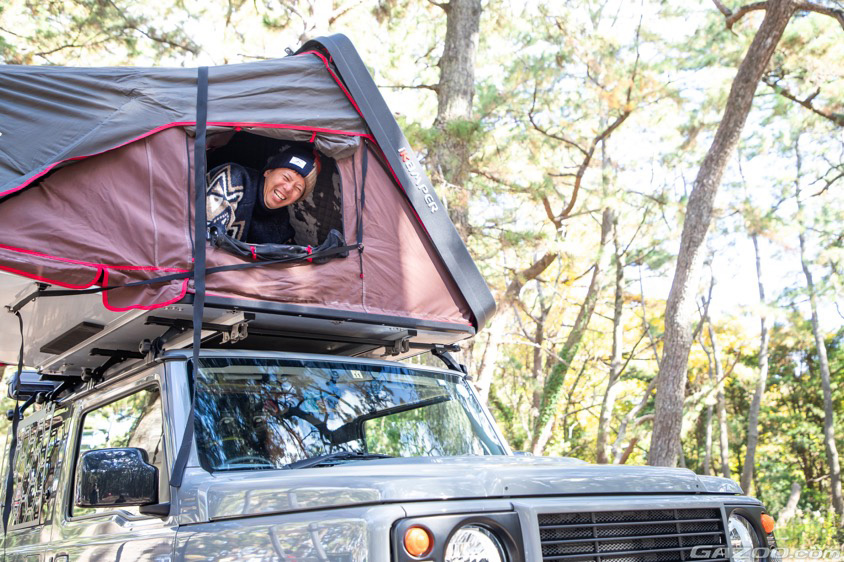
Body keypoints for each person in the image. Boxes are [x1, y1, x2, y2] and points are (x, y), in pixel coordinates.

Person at [206, 145, 320, 245]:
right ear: (268, 172)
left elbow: (287, 256)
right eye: (286, 177)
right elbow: (208, 236)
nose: (288, 188)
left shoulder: (281, 222)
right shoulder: (234, 178)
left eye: (298, 188)